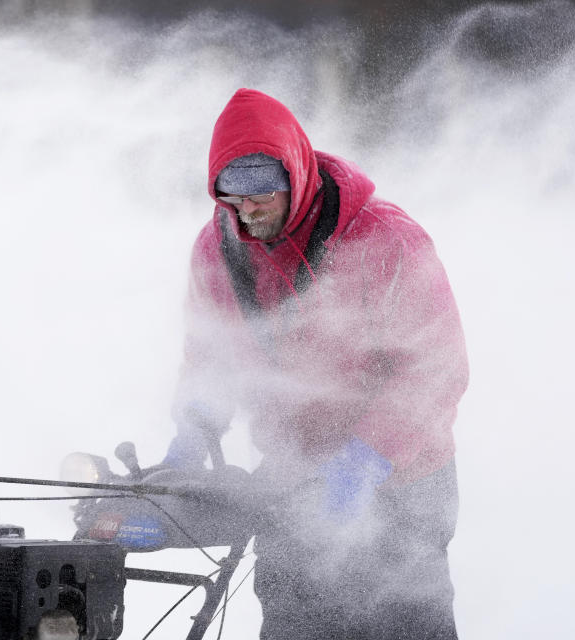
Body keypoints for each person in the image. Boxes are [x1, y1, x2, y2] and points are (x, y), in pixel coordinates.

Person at [162, 88, 469, 639]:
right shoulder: (217, 248)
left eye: (262, 191)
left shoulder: (384, 239)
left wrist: (366, 460)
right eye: (231, 194)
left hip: (403, 483)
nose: (247, 209)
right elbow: (211, 356)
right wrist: (192, 429)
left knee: (402, 623)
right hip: (290, 481)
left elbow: (435, 368)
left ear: (295, 175)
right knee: (296, 623)